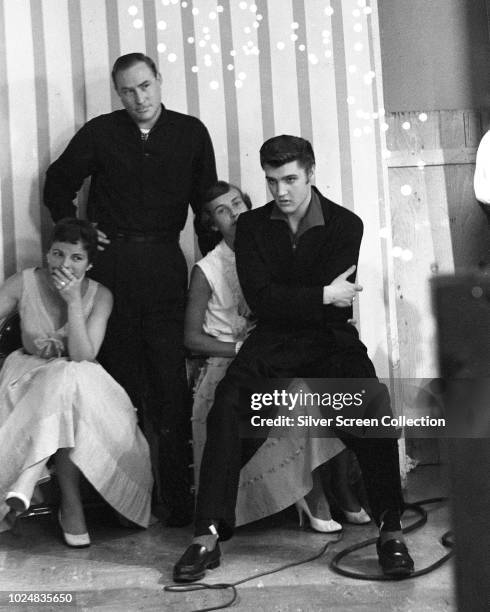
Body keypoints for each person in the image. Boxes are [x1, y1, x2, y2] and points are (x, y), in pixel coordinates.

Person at [173, 136, 414, 583]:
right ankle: (206, 534)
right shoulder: (251, 228)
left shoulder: (346, 225)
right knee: (227, 408)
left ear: (311, 173)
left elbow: (328, 310)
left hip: (329, 339)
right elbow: (264, 302)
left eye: (289, 180)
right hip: (274, 341)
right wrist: (322, 293)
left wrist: (304, 300)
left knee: (372, 407)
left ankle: (391, 529)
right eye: (271, 181)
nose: (280, 192)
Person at [43, 53, 218, 525]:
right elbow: (57, 182)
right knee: (116, 385)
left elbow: (205, 208)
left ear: (159, 81)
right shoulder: (102, 131)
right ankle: (122, 502)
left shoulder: (190, 133)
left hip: (164, 264)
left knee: (168, 385)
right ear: (117, 94)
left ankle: (179, 502)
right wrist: (79, 228)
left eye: (145, 86)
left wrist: (217, 276)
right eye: (127, 90)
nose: (138, 98)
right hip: (113, 268)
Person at [187, 181, 369, 531]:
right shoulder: (208, 269)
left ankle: (342, 487)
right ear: (212, 224)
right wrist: (240, 348)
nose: (235, 213)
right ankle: (312, 492)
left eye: (238, 203)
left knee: (340, 382)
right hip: (231, 356)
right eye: (223, 211)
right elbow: (192, 338)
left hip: (277, 347)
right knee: (298, 393)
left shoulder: (272, 245)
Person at [0, 218, 152, 546]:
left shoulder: (101, 295)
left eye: (76, 258)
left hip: (82, 377)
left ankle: (31, 477)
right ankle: (71, 506)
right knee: (63, 380)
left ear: (90, 263)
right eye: (57, 254)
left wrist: (73, 304)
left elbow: (83, 355)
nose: (64, 265)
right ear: (47, 253)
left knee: (68, 375)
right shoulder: (23, 282)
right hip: (29, 376)